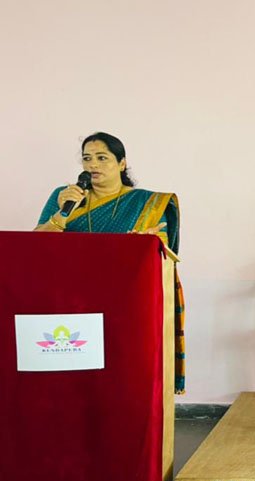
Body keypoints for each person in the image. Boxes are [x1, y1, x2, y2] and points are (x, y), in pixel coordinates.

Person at [35, 132, 187, 393]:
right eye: (87, 158)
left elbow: (163, 250)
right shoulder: (64, 196)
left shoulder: (146, 203)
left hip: (124, 298)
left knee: (120, 372)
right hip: (71, 295)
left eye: (102, 158)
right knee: (74, 373)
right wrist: (62, 214)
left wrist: (142, 244)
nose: (92, 165)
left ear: (121, 163)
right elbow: (35, 244)